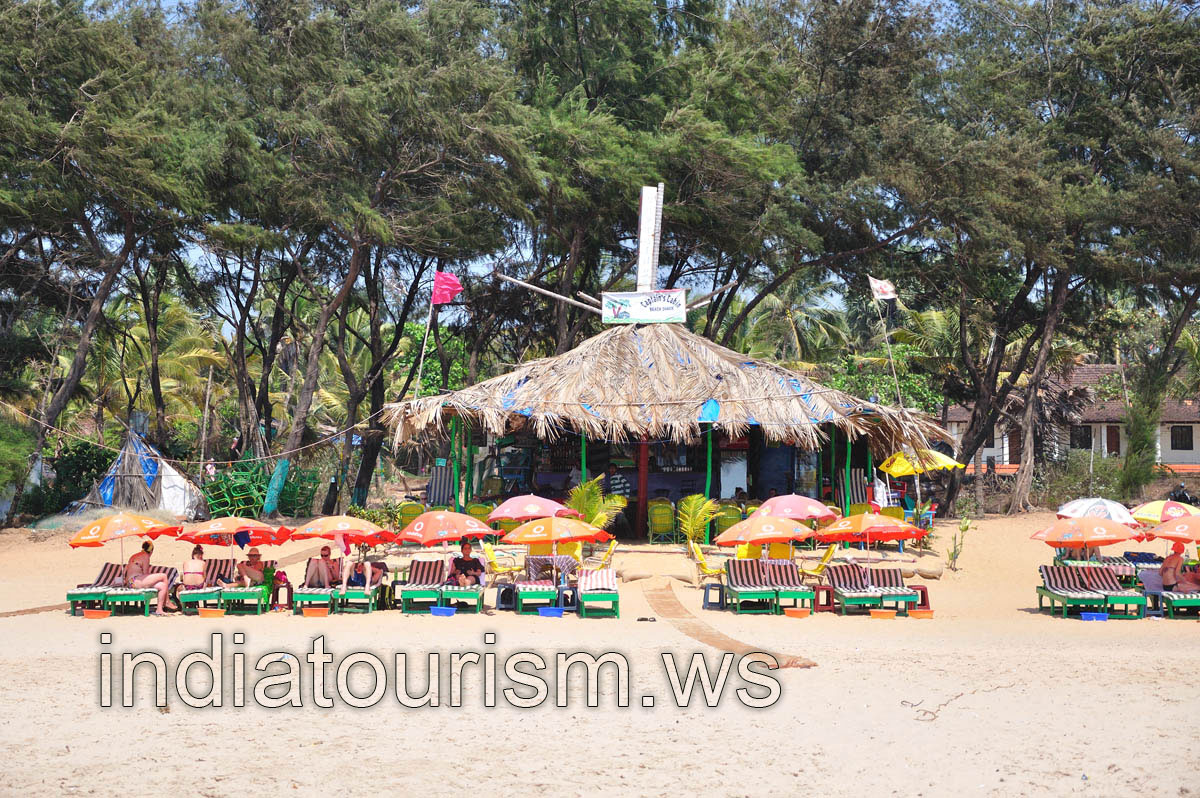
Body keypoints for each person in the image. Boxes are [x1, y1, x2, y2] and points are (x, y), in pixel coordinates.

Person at [126, 540, 176, 616]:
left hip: (131, 582)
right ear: (151, 551)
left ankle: (159, 609)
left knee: (162, 585)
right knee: (164, 576)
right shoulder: (145, 556)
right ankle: (167, 602)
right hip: (135, 580)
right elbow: (146, 574)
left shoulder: (135, 555)